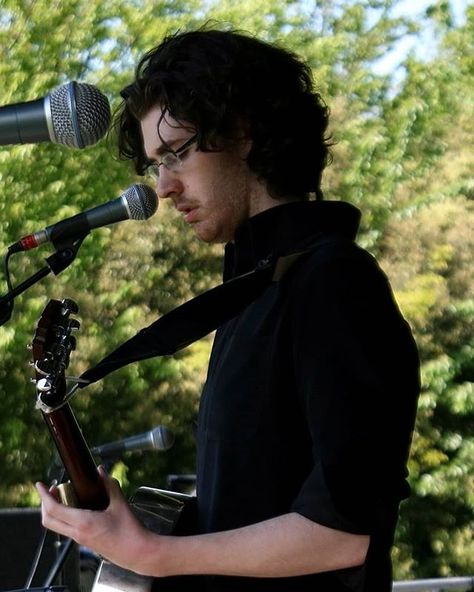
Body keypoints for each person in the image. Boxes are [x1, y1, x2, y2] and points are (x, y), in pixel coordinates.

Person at [36, 28, 420, 592]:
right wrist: (131, 533)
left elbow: (345, 531)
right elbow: (249, 511)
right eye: (154, 165)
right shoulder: (255, 290)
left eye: (177, 154)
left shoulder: (332, 282)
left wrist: (152, 553)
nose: (163, 187)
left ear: (242, 133)